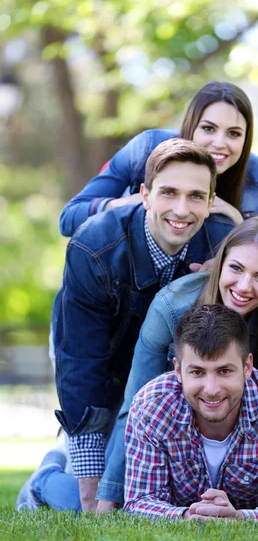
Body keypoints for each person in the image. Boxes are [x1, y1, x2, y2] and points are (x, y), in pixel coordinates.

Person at [97, 217, 258, 522]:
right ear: (220, 264)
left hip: (244, 456)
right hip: (174, 451)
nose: (243, 286)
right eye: (236, 268)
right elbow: (133, 406)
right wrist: (107, 500)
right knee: (76, 497)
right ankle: (49, 475)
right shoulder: (171, 307)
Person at [51, 138, 235, 511]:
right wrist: (92, 495)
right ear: (145, 195)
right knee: (83, 498)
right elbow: (80, 362)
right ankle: (49, 476)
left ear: (211, 202)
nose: (182, 210)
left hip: (168, 375)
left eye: (196, 196)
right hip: (100, 367)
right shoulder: (93, 247)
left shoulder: (222, 247)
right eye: (168, 192)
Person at [124, 304, 258, 520]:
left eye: (224, 371)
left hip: (255, 502)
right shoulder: (151, 408)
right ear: (178, 370)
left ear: (247, 367)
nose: (211, 389)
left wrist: (240, 518)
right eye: (197, 372)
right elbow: (140, 500)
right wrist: (185, 516)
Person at [59, 81, 258, 237]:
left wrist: (236, 219)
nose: (220, 143)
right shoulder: (146, 149)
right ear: (191, 126)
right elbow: (69, 219)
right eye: (208, 128)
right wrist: (137, 201)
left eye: (233, 133)